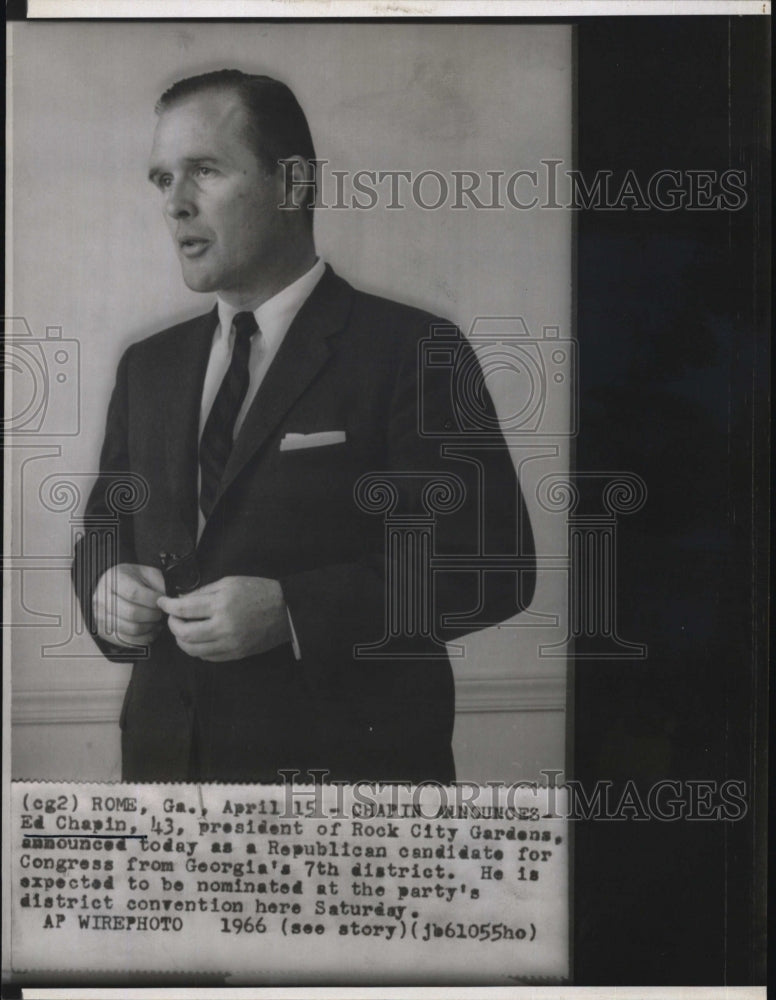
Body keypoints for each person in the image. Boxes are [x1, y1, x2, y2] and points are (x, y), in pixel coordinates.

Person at [72, 69, 535, 784]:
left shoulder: (414, 349)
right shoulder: (148, 368)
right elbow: (106, 528)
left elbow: (490, 565)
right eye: (162, 179)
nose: (176, 204)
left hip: (350, 788)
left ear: (292, 184)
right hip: (166, 783)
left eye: (204, 170)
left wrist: (293, 611)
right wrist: (103, 585)